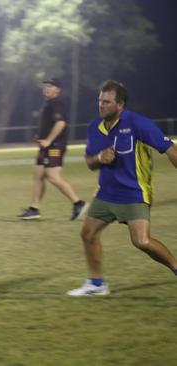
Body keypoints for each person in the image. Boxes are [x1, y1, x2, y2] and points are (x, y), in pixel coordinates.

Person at [67, 80, 177, 296]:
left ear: (120, 105)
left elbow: (170, 149)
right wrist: (100, 157)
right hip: (106, 194)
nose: (101, 106)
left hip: (134, 193)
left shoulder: (138, 123)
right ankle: (97, 284)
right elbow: (90, 163)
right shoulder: (94, 127)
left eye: (106, 102)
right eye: (100, 101)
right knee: (88, 234)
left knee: (142, 241)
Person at [18, 78, 87, 220]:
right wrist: (41, 137)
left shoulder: (57, 103)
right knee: (38, 175)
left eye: (50, 86)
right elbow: (51, 124)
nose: (46, 88)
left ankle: (78, 203)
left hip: (55, 147)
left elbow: (60, 123)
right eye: (45, 86)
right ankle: (34, 209)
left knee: (53, 177)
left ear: (58, 89)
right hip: (46, 147)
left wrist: (48, 140)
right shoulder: (49, 104)